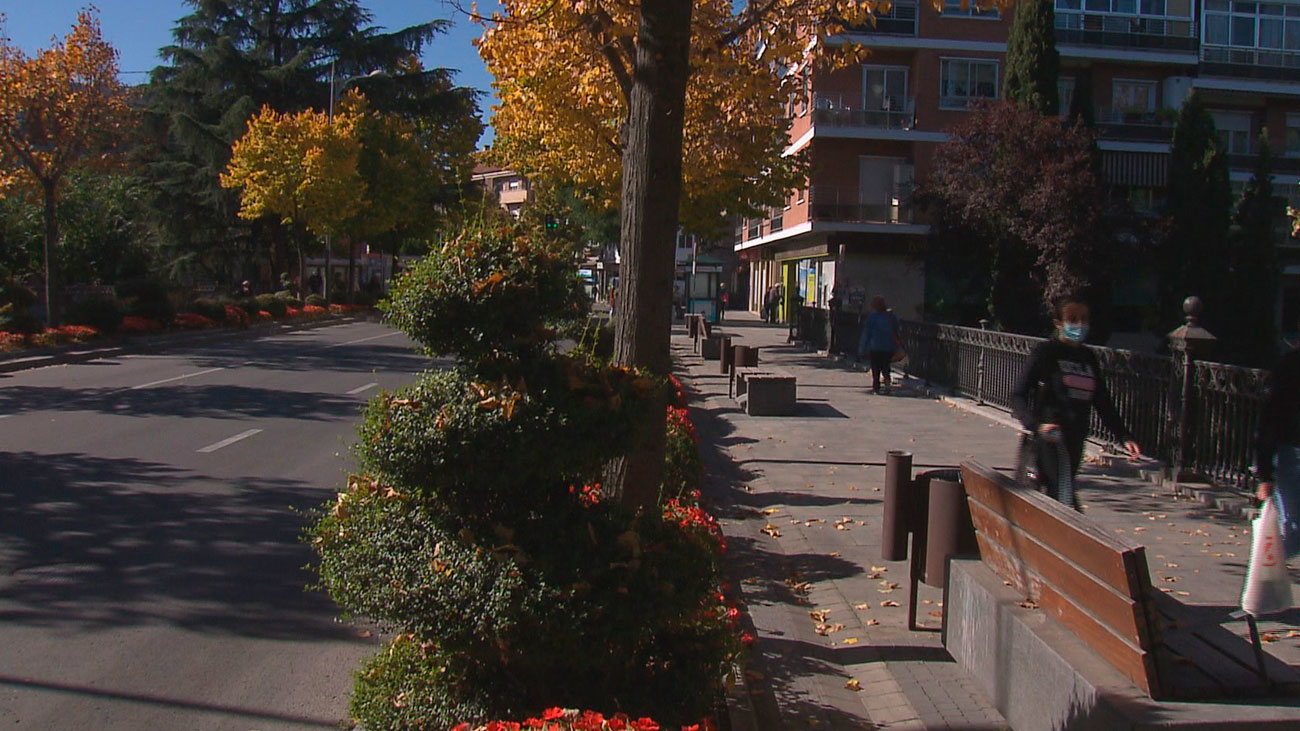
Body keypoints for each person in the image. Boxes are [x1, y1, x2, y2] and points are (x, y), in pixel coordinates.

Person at [1011, 297, 1142, 508]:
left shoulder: (1087, 357)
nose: (1079, 325)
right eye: (1072, 319)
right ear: (1059, 323)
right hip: (1050, 438)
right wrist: (1036, 425)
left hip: (1076, 439)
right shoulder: (1046, 353)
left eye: (1084, 319)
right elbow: (1017, 395)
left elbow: (1102, 400)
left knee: (1061, 494)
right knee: (1062, 496)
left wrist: (1124, 436)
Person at [1254, 321, 1300, 558]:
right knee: (1294, 527)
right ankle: (1267, 575)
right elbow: (1270, 420)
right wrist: (1264, 474)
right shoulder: (1289, 368)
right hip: (1292, 453)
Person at [858, 296, 900, 394]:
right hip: (888, 346)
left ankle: (876, 387)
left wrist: (862, 348)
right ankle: (887, 385)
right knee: (886, 366)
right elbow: (897, 328)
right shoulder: (890, 316)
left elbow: (866, 333)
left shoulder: (872, 317)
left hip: (875, 346)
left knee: (875, 368)